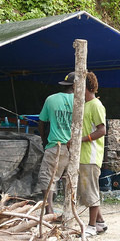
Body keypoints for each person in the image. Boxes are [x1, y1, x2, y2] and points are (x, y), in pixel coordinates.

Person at [37, 72, 80, 218]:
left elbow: (42, 122)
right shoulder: (80, 101)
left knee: (48, 178)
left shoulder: (51, 99)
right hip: (75, 148)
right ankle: (69, 212)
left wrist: (44, 140)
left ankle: (50, 211)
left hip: (56, 146)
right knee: (70, 180)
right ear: (76, 86)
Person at [78, 71, 107, 236]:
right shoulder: (85, 104)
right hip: (84, 155)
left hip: (91, 155)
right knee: (88, 191)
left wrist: (81, 139)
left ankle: (91, 226)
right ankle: (100, 222)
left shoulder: (96, 105)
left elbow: (102, 130)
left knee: (91, 192)